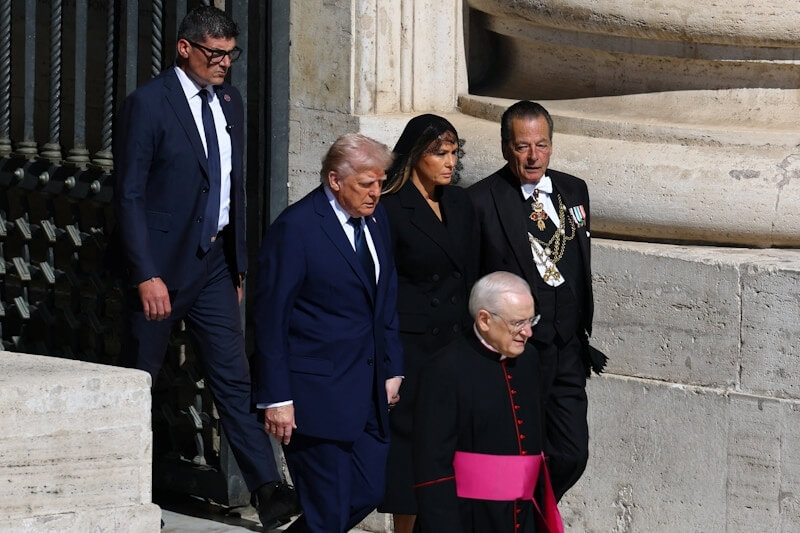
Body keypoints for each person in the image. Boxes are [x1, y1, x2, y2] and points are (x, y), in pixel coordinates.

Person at [113, 6, 297, 529]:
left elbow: (233, 188)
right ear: (185, 48)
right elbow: (129, 195)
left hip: (214, 263)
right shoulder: (149, 103)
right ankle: (125, 488)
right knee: (139, 379)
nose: (224, 64)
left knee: (233, 379)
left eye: (231, 55)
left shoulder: (229, 101)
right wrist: (145, 273)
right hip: (161, 268)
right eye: (215, 54)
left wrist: (237, 265)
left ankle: (267, 490)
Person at [252, 133, 404, 532]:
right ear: (335, 180)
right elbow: (270, 318)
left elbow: (385, 296)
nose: (375, 193)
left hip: (367, 392)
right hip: (315, 396)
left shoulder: (376, 220)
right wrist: (277, 398)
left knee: (368, 491)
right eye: (366, 184)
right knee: (328, 511)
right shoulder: (297, 228)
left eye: (380, 182)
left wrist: (392, 366)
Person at [468, 101, 607, 501]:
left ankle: (530, 513)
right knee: (517, 456)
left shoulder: (574, 189)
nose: (533, 156)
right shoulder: (480, 201)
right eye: (522, 146)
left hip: (568, 347)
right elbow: (471, 282)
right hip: (517, 353)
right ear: (505, 148)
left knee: (571, 454)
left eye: (541, 145)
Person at [378, 114, 477, 533]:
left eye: (454, 153)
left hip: (456, 346)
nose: (450, 162)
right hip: (413, 350)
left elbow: (471, 271)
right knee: (409, 458)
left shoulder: (460, 203)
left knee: (452, 452)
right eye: (440, 153)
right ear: (416, 155)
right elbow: (382, 285)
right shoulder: (390, 207)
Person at [414, 271, 562, 532]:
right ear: (484, 320)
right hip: (470, 517)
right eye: (518, 323)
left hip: (524, 516)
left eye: (531, 320)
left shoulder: (529, 359)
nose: (528, 332)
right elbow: (432, 466)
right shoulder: (444, 368)